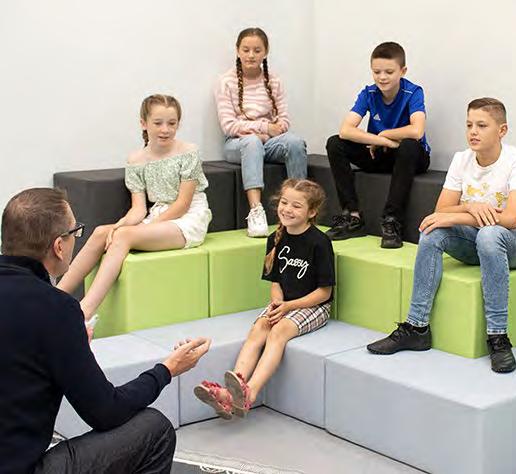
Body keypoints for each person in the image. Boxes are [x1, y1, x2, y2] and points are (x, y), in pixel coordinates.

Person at [0, 187, 211, 473]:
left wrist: (71, 345)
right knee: (155, 429)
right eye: (76, 232)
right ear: (59, 246)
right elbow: (106, 411)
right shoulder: (57, 310)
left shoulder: (54, 313)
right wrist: (166, 370)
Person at [367, 98, 516, 373]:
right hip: (479, 240)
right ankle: (417, 327)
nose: (473, 132)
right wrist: (471, 207)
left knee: (489, 235)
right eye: (469, 125)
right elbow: (441, 211)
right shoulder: (462, 159)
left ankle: (498, 337)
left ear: (502, 130)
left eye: (482, 125)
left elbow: (511, 219)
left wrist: (462, 214)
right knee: (432, 230)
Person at [57, 94, 212, 321]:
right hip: (157, 216)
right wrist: (118, 225)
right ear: (144, 123)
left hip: (188, 218)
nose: (165, 129)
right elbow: (138, 209)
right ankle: (55, 296)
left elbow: (182, 204)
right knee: (102, 232)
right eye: (158, 123)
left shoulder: (188, 152)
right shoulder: (136, 160)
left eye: (172, 123)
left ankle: (85, 311)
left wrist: (141, 228)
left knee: (124, 236)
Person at [193, 179, 334, 418]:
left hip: (314, 305)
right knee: (259, 327)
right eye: (284, 202)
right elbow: (276, 282)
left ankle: (251, 393)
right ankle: (233, 390)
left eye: (296, 206)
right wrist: (277, 304)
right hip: (285, 303)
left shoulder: (319, 242)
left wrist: (288, 306)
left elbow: (324, 293)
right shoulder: (275, 239)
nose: (287, 209)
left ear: (311, 212)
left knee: (278, 332)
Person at [326, 41, 430, 248]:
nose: (382, 77)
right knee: (335, 143)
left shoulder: (413, 92)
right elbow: (346, 130)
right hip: (380, 152)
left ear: (403, 71)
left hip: (409, 156)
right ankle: (352, 216)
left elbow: (417, 130)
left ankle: (392, 221)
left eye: (389, 72)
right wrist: (381, 140)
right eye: (377, 72)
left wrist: (385, 133)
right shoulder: (368, 93)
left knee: (409, 145)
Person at [215, 27, 308, 238]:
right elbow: (229, 126)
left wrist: (267, 133)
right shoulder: (225, 82)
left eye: (257, 50)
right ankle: (256, 211)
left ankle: (300, 205)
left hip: (268, 142)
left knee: (295, 142)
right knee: (252, 142)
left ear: (265, 52)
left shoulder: (274, 81)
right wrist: (265, 128)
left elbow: (284, 121)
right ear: (237, 50)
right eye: (246, 50)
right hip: (237, 144)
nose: (251, 55)